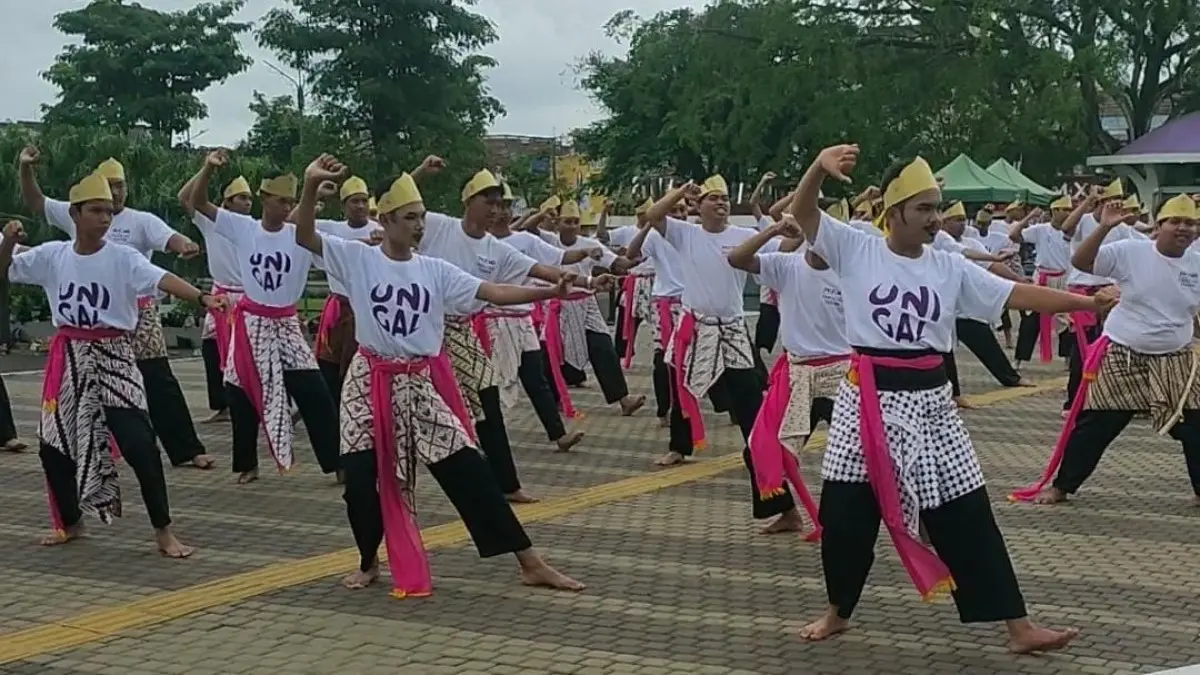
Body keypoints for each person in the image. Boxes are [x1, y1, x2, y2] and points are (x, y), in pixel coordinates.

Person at [789, 144, 1112, 652]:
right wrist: (817, 169)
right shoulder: (855, 248)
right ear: (894, 212)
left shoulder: (948, 266)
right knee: (846, 514)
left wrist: (1085, 301)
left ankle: (1019, 627)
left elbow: (1017, 295)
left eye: (937, 208)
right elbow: (803, 211)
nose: (935, 218)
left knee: (967, 513)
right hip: (865, 402)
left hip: (932, 404)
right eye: (923, 208)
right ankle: (837, 611)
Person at [291, 154, 584, 596]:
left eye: (422, 217)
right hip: (368, 381)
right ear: (386, 220)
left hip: (418, 383)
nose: (419, 226)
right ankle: (368, 561)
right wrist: (311, 184)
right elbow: (305, 235)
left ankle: (530, 561)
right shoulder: (357, 258)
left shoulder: (434, 269)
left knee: (469, 469)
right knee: (360, 479)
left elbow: (494, 292)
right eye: (410, 217)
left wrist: (547, 292)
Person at [0, 174, 228, 558]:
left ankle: (164, 531)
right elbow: (4, 270)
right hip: (70, 357)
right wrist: (8, 241)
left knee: (140, 445)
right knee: (53, 446)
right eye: (96, 210)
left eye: (108, 211)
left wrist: (203, 298)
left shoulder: (123, 257)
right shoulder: (53, 255)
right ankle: (71, 522)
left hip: (114, 355)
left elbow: (162, 278)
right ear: (75, 214)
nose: (105, 218)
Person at [414, 165, 609, 502]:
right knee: (418, 411)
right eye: (488, 202)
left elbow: (541, 269)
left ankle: (507, 484)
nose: (495, 210)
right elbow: (400, 205)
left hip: (462, 332)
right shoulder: (438, 226)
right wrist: (420, 173)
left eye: (500, 204)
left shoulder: (496, 249)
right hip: (420, 334)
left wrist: (588, 281)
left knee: (488, 401)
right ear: (467, 201)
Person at [18, 147, 216, 470]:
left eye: (120, 185)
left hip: (138, 312)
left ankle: (186, 449)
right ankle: (87, 454)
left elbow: (170, 239)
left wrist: (185, 245)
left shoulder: (141, 221)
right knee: (82, 389)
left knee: (158, 379)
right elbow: (37, 202)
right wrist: (26, 168)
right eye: (110, 185)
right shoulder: (80, 210)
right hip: (89, 316)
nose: (115, 192)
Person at [642, 176, 805, 534]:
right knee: (681, 393)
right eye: (713, 198)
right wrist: (680, 191)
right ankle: (679, 446)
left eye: (725, 199)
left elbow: (786, 247)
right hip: (695, 331)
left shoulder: (742, 236)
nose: (721, 203)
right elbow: (654, 215)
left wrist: (794, 229)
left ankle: (784, 506)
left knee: (754, 423)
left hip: (731, 332)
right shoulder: (686, 234)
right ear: (698, 206)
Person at [1012, 194, 1200, 506]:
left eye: (1190, 223)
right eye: (1175, 221)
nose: (1184, 228)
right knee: (1097, 425)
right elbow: (1081, 262)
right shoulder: (1131, 251)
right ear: (1158, 225)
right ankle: (1062, 486)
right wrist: (1104, 227)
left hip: (1175, 358)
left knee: (1194, 424)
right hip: (1124, 354)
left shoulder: (1196, 263)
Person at [186, 150, 341, 485]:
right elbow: (198, 202)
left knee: (314, 391)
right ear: (264, 198)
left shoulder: (302, 236)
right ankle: (247, 463)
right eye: (280, 201)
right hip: (252, 321)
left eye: (291, 202)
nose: (286, 207)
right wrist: (208, 169)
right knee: (239, 390)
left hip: (286, 323)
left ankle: (337, 462)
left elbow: (342, 243)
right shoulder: (244, 228)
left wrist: (313, 191)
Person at [729, 214, 847, 541]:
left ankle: (920, 519)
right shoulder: (786, 266)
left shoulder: (850, 272)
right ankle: (788, 513)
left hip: (842, 378)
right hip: (797, 377)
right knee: (760, 449)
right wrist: (775, 229)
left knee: (872, 450)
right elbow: (737, 258)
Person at [486, 184, 587, 452]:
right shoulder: (478, 243)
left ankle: (558, 434)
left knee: (536, 378)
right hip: (493, 321)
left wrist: (588, 263)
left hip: (523, 319)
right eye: (495, 206)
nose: (501, 212)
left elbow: (557, 259)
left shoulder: (524, 242)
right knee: (497, 383)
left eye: (506, 206)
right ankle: (487, 438)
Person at [543, 200, 645, 417]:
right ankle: (556, 399)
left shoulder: (589, 244)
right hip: (558, 306)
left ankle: (623, 399)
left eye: (576, 222)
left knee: (604, 347)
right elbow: (527, 230)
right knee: (552, 354)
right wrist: (541, 214)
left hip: (587, 303)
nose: (572, 226)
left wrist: (635, 260)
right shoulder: (547, 242)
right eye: (567, 221)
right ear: (558, 223)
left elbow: (616, 263)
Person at [178, 174, 254, 424]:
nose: (248, 203)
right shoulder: (211, 222)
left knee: (248, 352)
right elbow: (185, 197)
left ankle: (255, 401)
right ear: (227, 201)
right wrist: (207, 168)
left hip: (246, 297)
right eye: (241, 198)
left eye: (249, 198)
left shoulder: (253, 226)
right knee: (212, 348)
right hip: (220, 296)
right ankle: (222, 405)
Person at [308, 176, 383, 407]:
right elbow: (294, 226)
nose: (360, 206)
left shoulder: (380, 230)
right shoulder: (331, 229)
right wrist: (314, 194)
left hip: (369, 311)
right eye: (354, 201)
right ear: (343, 205)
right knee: (330, 368)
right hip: (338, 311)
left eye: (363, 200)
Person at [625, 197, 691, 432]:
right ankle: (665, 409)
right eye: (673, 210)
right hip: (663, 304)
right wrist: (648, 225)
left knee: (696, 357)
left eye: (682, 209)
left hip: (692, 304)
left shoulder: (693, 233)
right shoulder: (654, 236)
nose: (679, 215)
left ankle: (727, 405)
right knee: (663, 359)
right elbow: (631, 255)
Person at [1009, 196, 1073, 367]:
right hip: (1042, 277)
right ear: (1054, 211)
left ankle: (1068, 358)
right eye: (1064, 209)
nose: (1068, 213)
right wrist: (1030, 216)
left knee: (1066, 320)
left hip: (1063, 278)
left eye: (1069, 210)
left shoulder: (1073, 231)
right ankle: (1019, 359)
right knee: (1031, 319)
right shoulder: (1041, 230)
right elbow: (1014, 235)